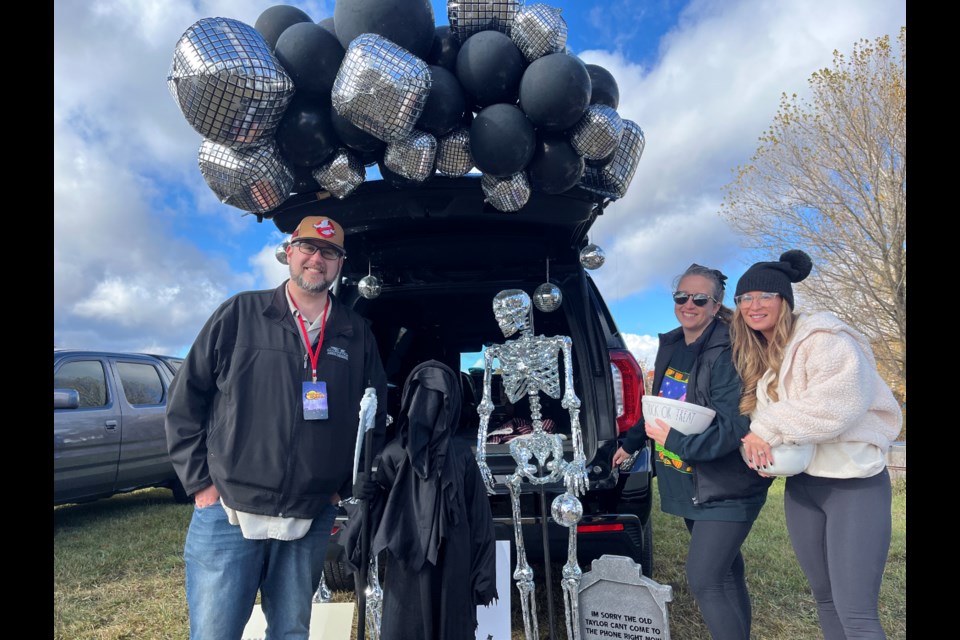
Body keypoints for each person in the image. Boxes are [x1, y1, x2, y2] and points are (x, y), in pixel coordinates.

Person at [165, 215, 388, 640]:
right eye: (307, 248)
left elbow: (372, 418)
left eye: (329, 252)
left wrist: (341, 485)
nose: (316, 260)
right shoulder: (240, 314)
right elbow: (184, 401)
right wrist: (201, 485)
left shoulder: (355, 333)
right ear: (289, 252)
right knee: (215, 633)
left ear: (340, 263)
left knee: (290, 631)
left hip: (309, 514)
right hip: (229, 512)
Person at [731, 249, 901, 640]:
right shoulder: (769, 355)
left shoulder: (823, 338)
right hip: (804, 485)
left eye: (764, 296)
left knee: (857, 614)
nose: (754, 305)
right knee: (825, 600)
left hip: (852, 484)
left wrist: (767, 428)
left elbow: (838, 401)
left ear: (784, 301)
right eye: (745, 298)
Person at [613, 263, 771, 640]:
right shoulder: (672, 345)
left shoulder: (729, 350)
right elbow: (660, 406)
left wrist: (676, 443)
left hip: (725, 485)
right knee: (727, 573)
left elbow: (736, 427)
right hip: (688, 484)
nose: (689, 304)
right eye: (681, 296)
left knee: (704, 579)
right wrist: (631, 442)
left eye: (700, 298)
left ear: (716, 305)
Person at [345, 360, 499, 640]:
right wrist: (367, 494)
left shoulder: (460, 456)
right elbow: (379, 513)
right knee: (407, 622)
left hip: (453, 559)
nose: (428, 408)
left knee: (449, 621)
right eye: (422, 398)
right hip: (406, 558)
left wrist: (483, 573)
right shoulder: (395, 454)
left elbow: (479, 518)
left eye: (438, 400)